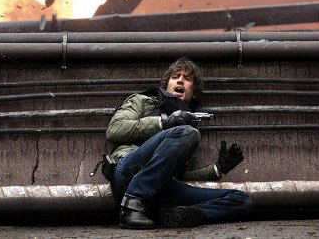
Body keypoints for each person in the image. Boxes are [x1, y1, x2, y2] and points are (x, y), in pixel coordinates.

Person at [105, 56, 254, 229]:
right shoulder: (142, 101)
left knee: (242, 199)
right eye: (176, 77)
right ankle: (132, 204)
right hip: (127, 172)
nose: (181, 80)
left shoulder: (189, 122)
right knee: (188, 133)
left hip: (160, 188)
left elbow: (176, 174)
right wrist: (164, 122)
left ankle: (184, 215)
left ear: (194, 92)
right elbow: (114, 130)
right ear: (166, 84)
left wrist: (217, 169)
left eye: (187, 79)